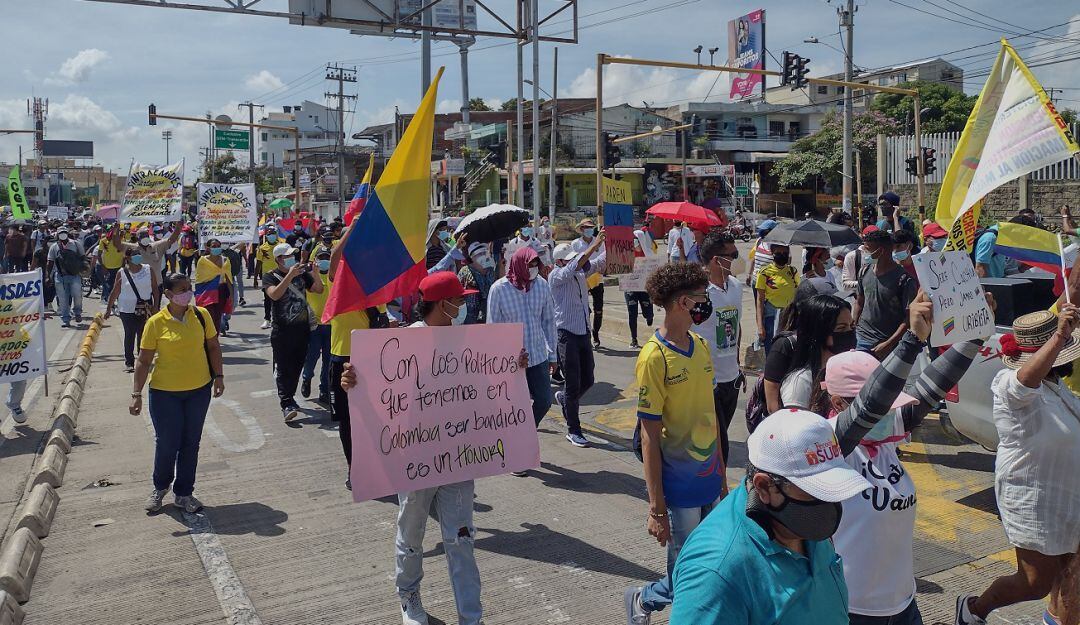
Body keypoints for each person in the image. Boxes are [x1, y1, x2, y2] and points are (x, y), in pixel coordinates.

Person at [667, 296, 936, 625]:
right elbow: (869, 408)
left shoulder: (806, 531)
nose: (829, 501)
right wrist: (911, 341)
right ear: (765, 487)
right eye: (815, 490)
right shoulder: (717, 571)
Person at [340, 272, 490, 625]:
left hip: (457, 459)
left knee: (462, 539)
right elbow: (376, 390)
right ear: (443, 304)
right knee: (412, 533)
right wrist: (352, 382)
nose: (466, 305)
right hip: (416, 461)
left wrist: (513, 368)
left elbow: (488, 382)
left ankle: (471, 616)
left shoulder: (470, 340)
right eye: (460, 299)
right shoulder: (401, 343)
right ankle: (408, 597)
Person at [819, 324, 986, 625]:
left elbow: (930, 390)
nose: (888, 416)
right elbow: (869, 407)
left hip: (903, 605)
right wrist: (912, 341)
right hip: (852, 610)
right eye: (882, 409)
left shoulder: (883, 440)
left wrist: (975, 333)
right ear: (837, 403)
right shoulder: (830, 444)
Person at [957, 306, 1080, 625]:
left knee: (1070, 576)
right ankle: (973, 610)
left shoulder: (1058, 387)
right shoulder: (1008, 384)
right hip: (1034, 499)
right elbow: (1025, 381)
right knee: (1034, 582)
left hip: (1065, 494)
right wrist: (1060, 336)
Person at [625, 261, 726, 624]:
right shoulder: (654, 357)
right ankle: (647, 599)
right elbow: (649, 436)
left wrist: (723, 477)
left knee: (712, 561)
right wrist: (655, 507)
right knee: (688, 571)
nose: (705, 302)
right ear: (684, 302)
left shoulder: (700, 346)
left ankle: (646, 597)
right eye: (701, 297)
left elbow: (710, 417)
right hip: (679, 486)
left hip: (709, 478)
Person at [130, 273, 225, 514]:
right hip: (165, 394)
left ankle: (184, 493)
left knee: (191, 443)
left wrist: (219, 377)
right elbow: (143, 360)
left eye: (189, 288)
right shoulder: (155, 323)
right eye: (182, 289)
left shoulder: (202, 316)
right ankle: (160, 487)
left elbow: (213, 346)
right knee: (167, 443)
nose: (188, 293)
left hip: (198, 390)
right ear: (169, 295)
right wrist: (136, 394)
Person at [487, 247, 557, 434]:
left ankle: (524, 434)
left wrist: (553, 355)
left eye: (536, 264)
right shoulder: (499, 290)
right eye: (530, 264)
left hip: (538, 356)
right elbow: (493, 328)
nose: (534, 268)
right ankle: (515, 440)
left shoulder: (542, 285)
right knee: (514, 405)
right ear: (519, 264)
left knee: (544, 401)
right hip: (511, 362)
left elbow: (549, 321)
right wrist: (501, 357)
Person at [693, 231, 745, 465]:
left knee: (720, 438)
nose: (737, 259)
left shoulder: (735, 286)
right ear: (716, 260)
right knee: (716, 445)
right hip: (705, 381)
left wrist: (737, 363)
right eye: (732, 255)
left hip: (731, 378)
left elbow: (737, 325)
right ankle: (715, 493)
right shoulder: (697, 292)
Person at [550, 235, 606, 448]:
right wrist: (594, 245)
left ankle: (565, 400)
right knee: (573, 383)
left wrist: (615, 243)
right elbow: (574, 266)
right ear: (559, 262)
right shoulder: (556, 276)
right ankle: (574, 430)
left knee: (588, 379)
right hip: (566, 334)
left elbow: (598, 263)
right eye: (570, 259)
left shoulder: (579, 274)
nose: (576, 262)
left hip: (583, 332)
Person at [263, 242, 323, 421]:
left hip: (302, 330)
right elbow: (274, 294)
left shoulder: (302, 274)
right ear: (278, 259)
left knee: (297, 366)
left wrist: (316, 275)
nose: (291, 259)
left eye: (292, 255)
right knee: (283, 367)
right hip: (282, 331)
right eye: (287, 256)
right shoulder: (270, 276)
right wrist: (289, 276)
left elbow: (318, 289)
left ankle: (290, 396)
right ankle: (286, 402)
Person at [854, 229, 918, 358]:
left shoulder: (905, 280)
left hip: (886, 346)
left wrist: (889, 343)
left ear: (881, 251)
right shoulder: (864, 271)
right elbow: (859, 302)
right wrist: (853, 327)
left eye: (867, 249)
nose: (864, 252)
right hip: (860, 339)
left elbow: (909, 317)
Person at [105, 248, 160, 372]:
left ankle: (142, 360)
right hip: (127, 309)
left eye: (139, 254)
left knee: (143, 334)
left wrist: (156, 306)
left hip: (146, 308)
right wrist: (109, 308)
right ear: (128, 258)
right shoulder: (122, 272)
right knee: (129, 334)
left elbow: (155, 289)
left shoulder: (148, 269)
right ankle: (129, 362)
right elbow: (115, 291)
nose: (138, 257)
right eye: (135, 255)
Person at [301, 246, 332, 406]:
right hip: (314, 326)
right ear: (316, 261)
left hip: (332, 325)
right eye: (322, 258)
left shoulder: (335, 277)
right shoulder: (309, 277)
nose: (325, 260)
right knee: (312, 356)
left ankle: (324, 390)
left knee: (328, 360)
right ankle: (306, 378)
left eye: (328, 257)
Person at [754, 243, 798, 353]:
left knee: (789, 348)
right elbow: (759, 301)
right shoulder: (764, 273)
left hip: (790, 316)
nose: (782, 255)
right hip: (771, 316)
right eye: (778, 253)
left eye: (785, 253)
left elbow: (798, 292)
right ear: (772, 254)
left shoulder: (793, 272)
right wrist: (760, 326)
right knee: (772, 349)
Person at [571, 219, 606, 349]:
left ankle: (596, 332)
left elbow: (604, 258)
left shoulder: (600, 243)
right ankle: (586, 334)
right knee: (584, 309)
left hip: (596, 278)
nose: (588, 229)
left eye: (591, 227)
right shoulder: (575, 244)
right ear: (581, 229)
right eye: (586, 227)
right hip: (582, 279)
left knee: (599, 309)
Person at [46, 226, 86, 328]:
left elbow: (82, 257)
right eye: (61, 233)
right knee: (62, 299)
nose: (63, 234)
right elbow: (50, 262)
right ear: (58, 235)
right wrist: (48, 276)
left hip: (74, 275)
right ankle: (66, 319)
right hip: (60, 276)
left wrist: (83, 269)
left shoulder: (76, 244)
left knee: (77, 295)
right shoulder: (54, 247)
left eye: (64, 232)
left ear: (67, 233)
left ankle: (77, 312)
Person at [115, 225, 181, 283]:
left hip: (156, 283)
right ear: (137, 238)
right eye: (142, 236)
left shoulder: (156, 246)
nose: (145, 238)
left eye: (146, 236)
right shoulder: (132, 248)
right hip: (140, 285)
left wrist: (179, 226)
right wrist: (116, 229)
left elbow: (172, 239)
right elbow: (117, 244)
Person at [193, 238, 232, 334]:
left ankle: (215, 339)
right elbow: (199, 280)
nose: (216, 248)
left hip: (221, 292)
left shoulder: (225, 260)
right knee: (208, 316)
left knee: (218, 317)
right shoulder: (202, 261)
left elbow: (228, 279)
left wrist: (231, 295)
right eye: (214, 246)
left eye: (218, 246)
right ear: (208, 248)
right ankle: (207, 338)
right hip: (207, 292)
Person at [457, 242, 496, 325]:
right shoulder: (464, 271)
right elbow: (457, 293)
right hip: (469, 317)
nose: (483, 255)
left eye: (484, 252)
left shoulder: (490, 270)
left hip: (487, 315)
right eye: (480, 253)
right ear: (472, 257)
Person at [843, 225, 880, 293]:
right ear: (864, 240)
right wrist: (864, 284)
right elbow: (846, 285)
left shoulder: (884, 254)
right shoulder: (852, 256)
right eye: (870, 239)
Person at [96, 224, 124, 304]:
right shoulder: (104, 241)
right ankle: (109, 304)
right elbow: (99, 254)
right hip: (107, 267)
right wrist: (103, 266)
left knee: (119, 286)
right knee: (109, 286)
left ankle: (119, 304)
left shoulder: (122, 240)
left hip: (119, 267)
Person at [255, 229, 278, 328]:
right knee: (267, 299)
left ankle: (277, 319)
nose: (271, 236)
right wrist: (255, 278)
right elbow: (259, 263)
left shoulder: (280, 246)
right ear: (266, 236)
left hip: (279, 275)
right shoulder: (262, 248)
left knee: (279, 299)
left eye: (273, 234)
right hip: (267, 277)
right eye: (269, 235)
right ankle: (267, 319)